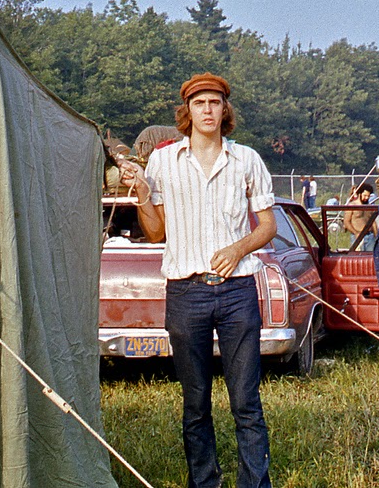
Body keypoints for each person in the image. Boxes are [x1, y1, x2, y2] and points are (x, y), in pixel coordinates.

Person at [118, 72, 277, 488]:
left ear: (225, 110)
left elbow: (268, 226)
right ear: (187, 111)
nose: (207, 110)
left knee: (246, 401)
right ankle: (204, 482)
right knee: (195, 403)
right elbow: (156, 232)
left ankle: (254, 483)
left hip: (238, 290)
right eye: (199, 103)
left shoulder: (247, 160)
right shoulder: (163, 161)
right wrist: (142, 192)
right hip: (186, 293)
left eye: (214, 102)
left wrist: (238, 249)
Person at [343, 183, 376, 250]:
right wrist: (355, 233)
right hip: (357, 236)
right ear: (359, 194)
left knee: (371, 256)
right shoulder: (352, 206)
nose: (366, 198)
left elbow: (373, 222)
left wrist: (376, 236)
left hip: (370, 236)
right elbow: (346, 222)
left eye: (368, 196)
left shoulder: (369, 207)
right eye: (365, 195)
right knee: (358, 255)